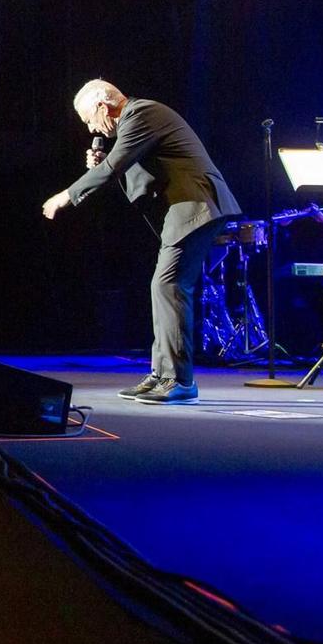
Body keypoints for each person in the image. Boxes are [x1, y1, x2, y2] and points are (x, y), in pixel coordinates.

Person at [41, 80, 241, 404]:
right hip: (187, 209)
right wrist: (107, 159)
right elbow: (128, 167)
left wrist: (66, 195)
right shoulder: (135, 123)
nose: (92, 127)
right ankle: (162, 374)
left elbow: (114, 167)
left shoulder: (141, 113)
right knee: (163, 286)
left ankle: (180, 381)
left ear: (103, 107)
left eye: (90, 119)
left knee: (169, 286)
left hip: (198, 205)